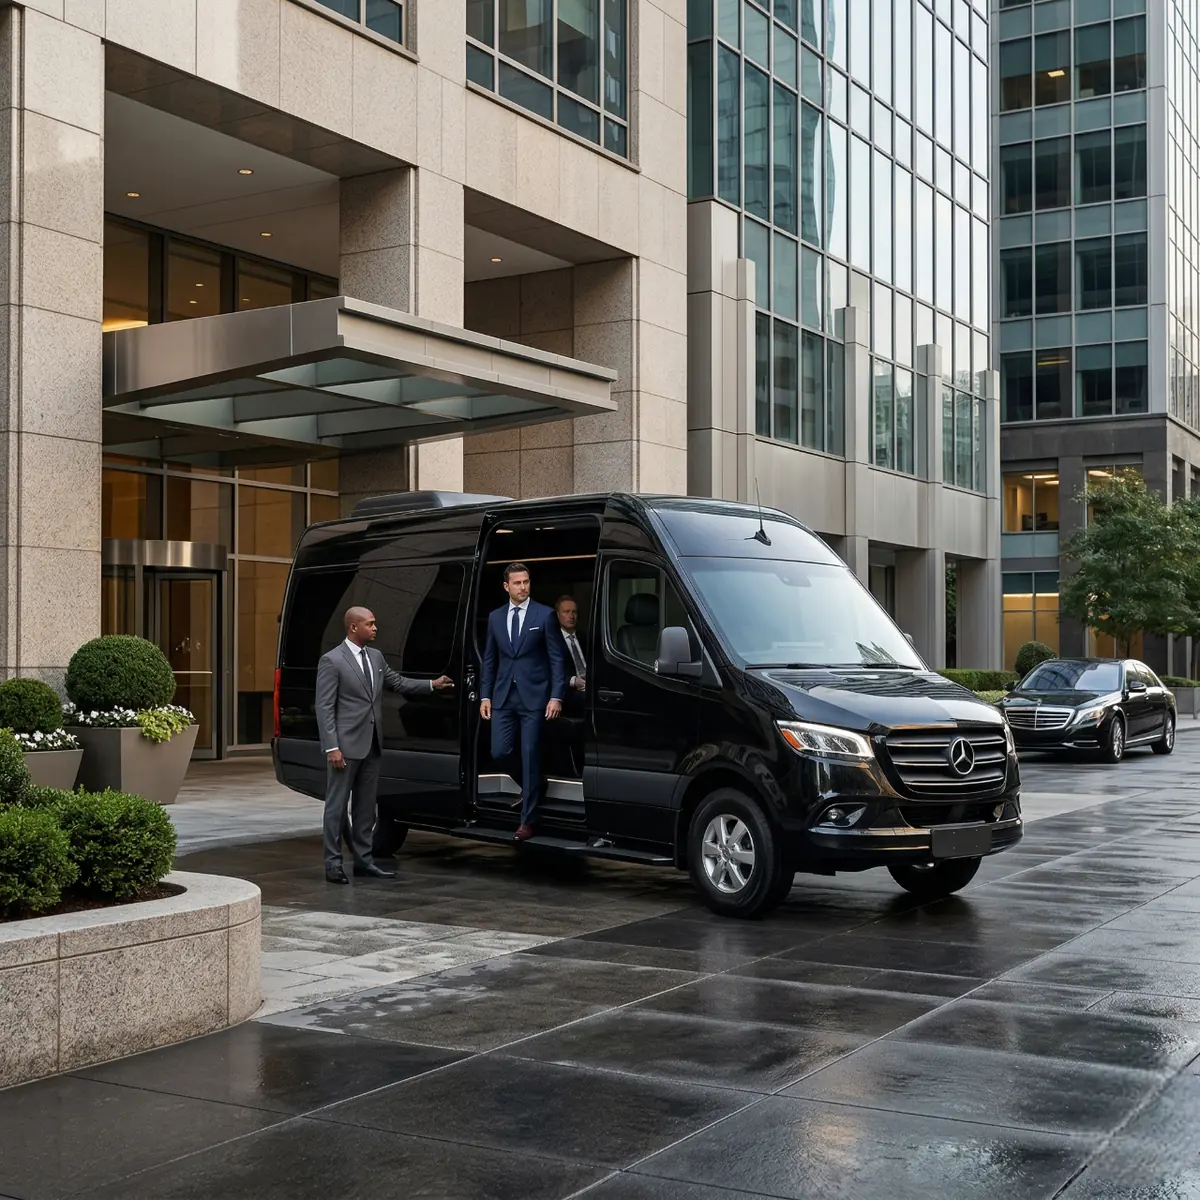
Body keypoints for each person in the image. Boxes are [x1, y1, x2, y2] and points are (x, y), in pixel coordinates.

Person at [316, 605, 452, 883]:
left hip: (372, 745)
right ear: (354, 627)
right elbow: (324, 707)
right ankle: (333, 864)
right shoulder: (332, 661)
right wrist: (332, 747)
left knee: (366, 808)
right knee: (337, 807)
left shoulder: (376, 657)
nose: (375, 628)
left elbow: (398, 682)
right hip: (345, 747)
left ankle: (364, 862)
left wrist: (431, 685)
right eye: (370, 624)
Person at [479, 563, 567, 842]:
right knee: (499, 751)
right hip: (503, 696)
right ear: (506, 587)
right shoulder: (495, 617)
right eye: (517, 583)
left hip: (535, 698)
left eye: (526, 582)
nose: (523, 587)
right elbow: (490, 660)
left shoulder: (545, 615)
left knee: (530, 755)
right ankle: (535, 784)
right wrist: (485, 695)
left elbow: (557, 658)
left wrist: (556, 695)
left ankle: (527, 821)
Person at [555, 595, 587, 694]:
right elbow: (546, 673)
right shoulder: (553, 641)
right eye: (566, 612)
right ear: (558, 615)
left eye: (574, 612)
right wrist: (572, 681)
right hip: (569, 693)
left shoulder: (584, 638)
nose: (571, 616)